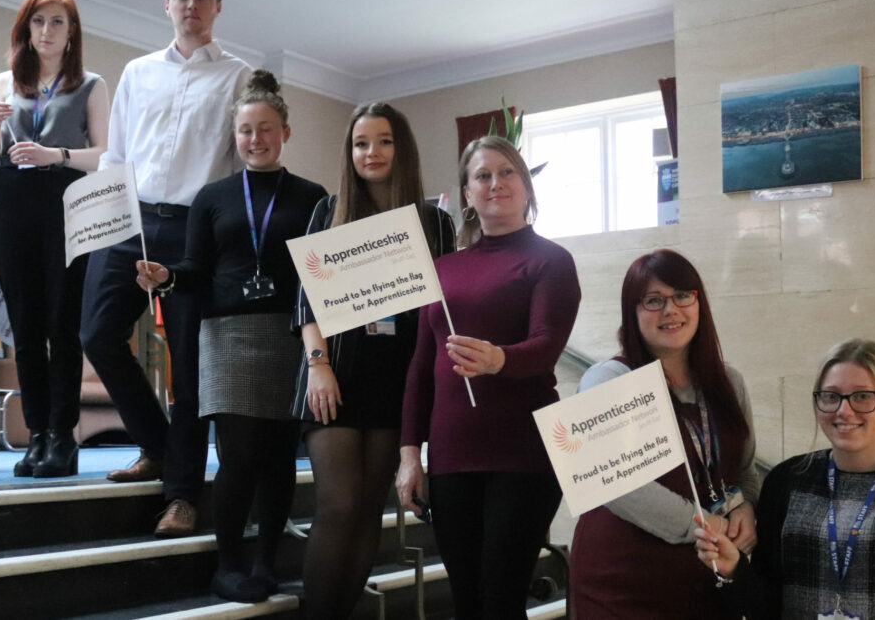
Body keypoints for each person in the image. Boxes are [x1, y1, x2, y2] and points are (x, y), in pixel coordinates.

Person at [79, 0, 252, 537]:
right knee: (96, 334)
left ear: (217, 7)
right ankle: (157, 446)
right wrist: (101, 224)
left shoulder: (238, 76)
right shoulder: (138, 72)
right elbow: (115, 155)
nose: (190, 4)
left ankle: (181, 495)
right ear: (167, 4)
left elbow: (240, 166)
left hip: (194, 229)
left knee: (190, 368)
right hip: (129, 220)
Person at [137, 71, 325, 601]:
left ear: (285, 133)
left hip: (290, 337)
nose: (255, 139)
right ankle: (228, 565)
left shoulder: (313, 198)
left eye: (265, 129)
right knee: (239, 457)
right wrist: (167, 277)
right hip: (226, 338)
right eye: (245, 130)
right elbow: (196, 269)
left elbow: (320, 276)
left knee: (280, 457)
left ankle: (266, 561)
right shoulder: (211, 197)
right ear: (235, 136)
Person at [396, 136, 580, 619]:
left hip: (523, 455)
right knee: (467, 603)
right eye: (482, 175)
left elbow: (546, 345)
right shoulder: (441, 269)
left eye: (506, 172)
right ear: (467, 193)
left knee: (500, 603)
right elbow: (421, 368)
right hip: (452, 458)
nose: (495, 183)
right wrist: (410, 455)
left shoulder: (551, 260)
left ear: (525, 185)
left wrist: (499, 359)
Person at [292, 103, 456, 619]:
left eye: (384, 141)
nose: (372, 152)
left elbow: (443, 310)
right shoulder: (329, 210)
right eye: (361, 143)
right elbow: (305, 301)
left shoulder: (435, 222)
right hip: (333, 372)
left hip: (397, 381)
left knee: (367, 511)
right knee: (338, 505)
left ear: (401, 148)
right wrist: (318, 365)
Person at [694, 338, 875, 620]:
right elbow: (766, 603)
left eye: (862, 396)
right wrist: (735, 569)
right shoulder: (786, 481)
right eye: (831, 396)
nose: (844, 410)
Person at [567, 248, 759, 619]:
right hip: (623, 584)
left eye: (682, 296)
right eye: (654, 300)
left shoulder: (729, 381)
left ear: (699, 303)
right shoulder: (608, 380)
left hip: (708, 580)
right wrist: (708, 524)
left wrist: (748, 508)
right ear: (632, 312)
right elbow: (617, 486)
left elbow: (745, 469)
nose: (671, 310)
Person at [0, 0, 109, 478]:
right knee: (25, 328)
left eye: (57, 22)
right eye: (38, 21)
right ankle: (35, 435)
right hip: (12, 200)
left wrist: (56, 155)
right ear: (25, 29)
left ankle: (62, 438)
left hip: (65, 202)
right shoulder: (5, 81)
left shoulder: (90, 84)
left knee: (61, 324)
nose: (46, 31)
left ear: (71, 32)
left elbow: (106, 155)